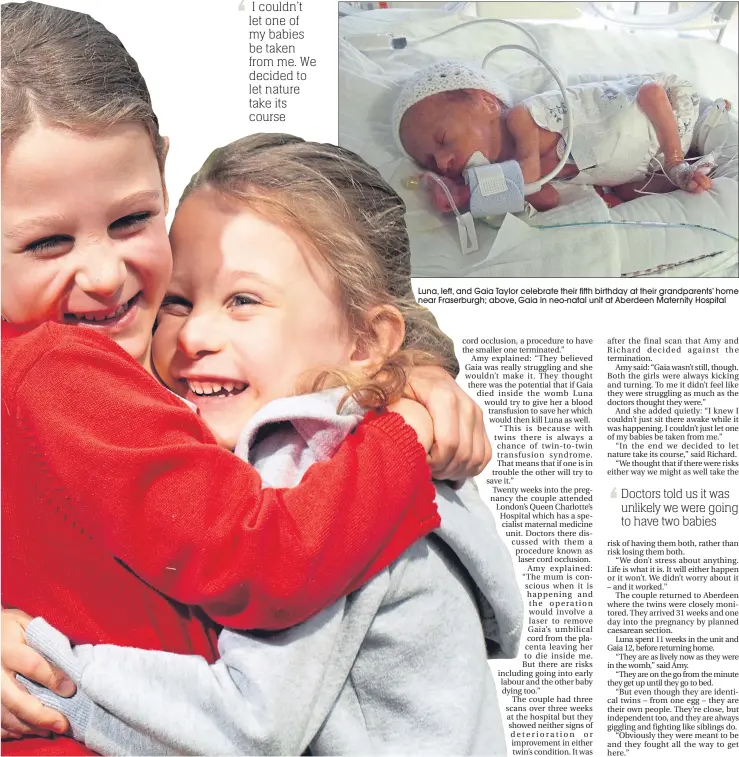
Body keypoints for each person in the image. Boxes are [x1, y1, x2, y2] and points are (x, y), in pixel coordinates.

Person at [0, 4, 490, 752]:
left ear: (160, 168)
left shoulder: (290, 450)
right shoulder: (62, 366)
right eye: (47, 241)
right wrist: (404, 419)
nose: (103, 275)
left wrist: (407, 375)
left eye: (132, 220)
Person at [394, 60, 717, 212]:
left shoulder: (524, 118)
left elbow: (529, 174)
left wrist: (466, 192)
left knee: (650, 91)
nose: (441, 161)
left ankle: (677, 161)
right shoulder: (510, 168)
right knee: (630, 193)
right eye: (430, 161)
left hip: (659, 115)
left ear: (487, 102)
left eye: (443, 138)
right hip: (638, 164)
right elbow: (547, 197)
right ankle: (687, 173)